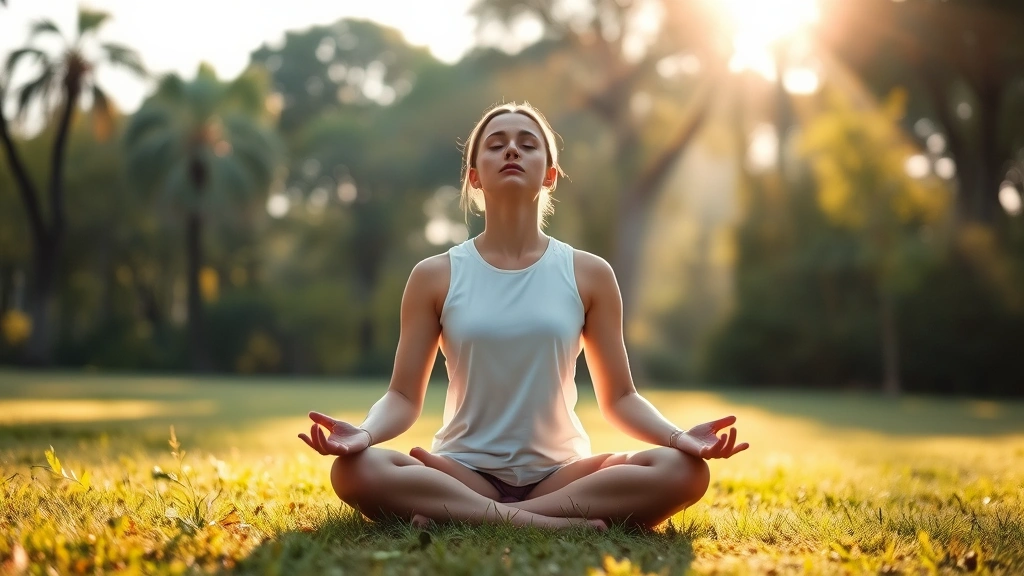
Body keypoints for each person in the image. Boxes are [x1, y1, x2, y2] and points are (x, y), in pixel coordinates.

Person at [298, 102, 749, 531]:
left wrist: (677, 439)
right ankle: (547, 524)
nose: (512, 149)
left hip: (562, 474)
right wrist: (364, 434)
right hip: (461, 470)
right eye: (495, 143)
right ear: (474, 176)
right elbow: (401, 395)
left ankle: (473, 515)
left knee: (684, 472)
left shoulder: (589, 273)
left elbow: (621, 397)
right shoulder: (435, 275)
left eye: (528, 143)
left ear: (549, 174)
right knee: (356, 470)